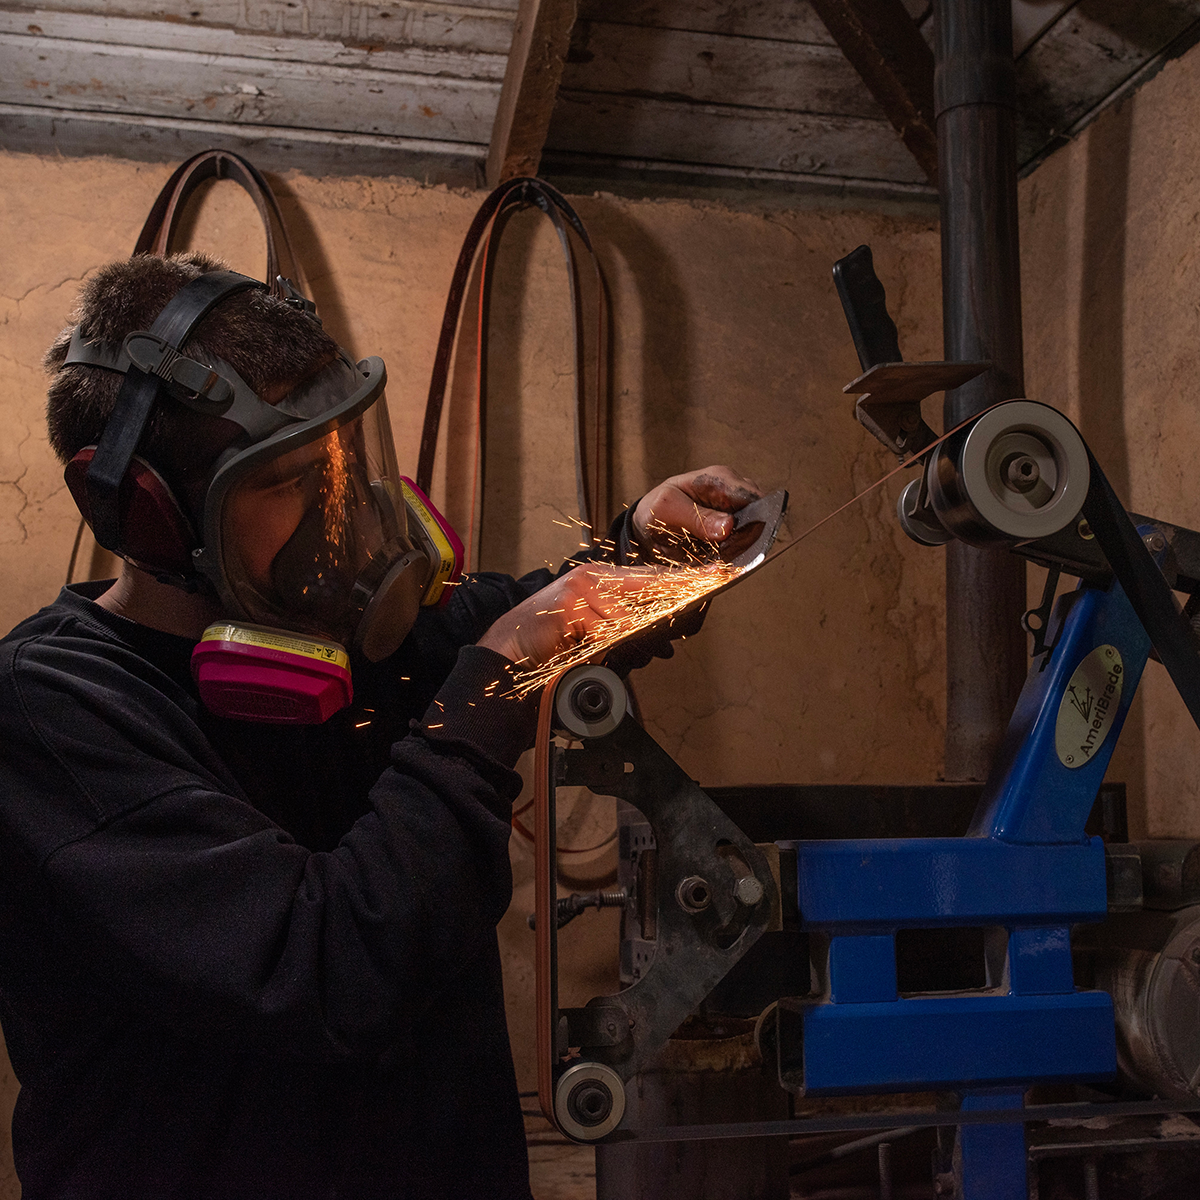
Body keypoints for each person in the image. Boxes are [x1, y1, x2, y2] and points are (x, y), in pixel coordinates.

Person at [0, 252, 763, 1199]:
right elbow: (326, 971)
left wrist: (642, 549)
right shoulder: (55, 711)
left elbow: (535, 616)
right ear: (151, 515)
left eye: (342, 456)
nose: (340, 512)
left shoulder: (346, 638)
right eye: (285, 481)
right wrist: (493, 691)